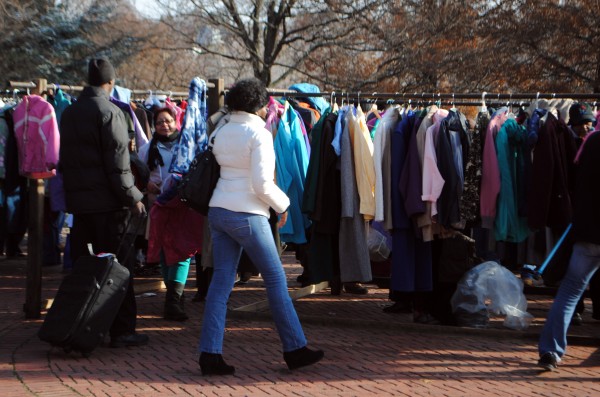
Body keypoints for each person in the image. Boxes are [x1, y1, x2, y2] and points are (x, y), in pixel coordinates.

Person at [197, 78, 324, 375]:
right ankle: (294, 348)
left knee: (220, 284)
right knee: (276, 280)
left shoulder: (221, 130)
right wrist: (284, 206)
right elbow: (262, 184)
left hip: (219, 210)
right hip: (248, 213)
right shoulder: (260, 134)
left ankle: (210, 353)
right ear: (261, 104)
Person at [59, 58, 148, 348]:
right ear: (110, 83)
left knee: (84, 268)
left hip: (81, 207)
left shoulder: (70, 112)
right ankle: (122, 330)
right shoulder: (111, 112)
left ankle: (78, 325)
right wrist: (134, 197)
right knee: (118, 268)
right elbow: (119, 166)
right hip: (110, 208)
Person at [537, 127, 600, 371]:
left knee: (570, 291)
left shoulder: (591, 141)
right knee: (571, 290)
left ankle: (551, 350)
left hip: (586, 232)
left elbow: (574, 181)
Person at [139, 106, 203, 321]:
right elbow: (139, 175)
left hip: (183, 207)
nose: (164, 125)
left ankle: (173, 300)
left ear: (176, 121)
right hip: (158, 207)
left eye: (167, 121)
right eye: (159, 122)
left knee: (182, 251)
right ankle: (174, 297)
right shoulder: (147, 150)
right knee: (165, 252)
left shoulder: (187, 147)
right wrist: (147, 185)